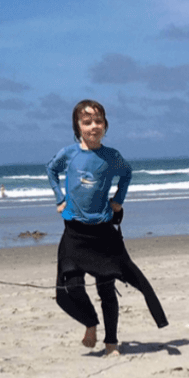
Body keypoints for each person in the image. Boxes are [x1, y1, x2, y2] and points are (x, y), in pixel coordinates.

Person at [46, 100, 168, 356]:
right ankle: (90, 322)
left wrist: (118, 201)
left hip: (102, 232)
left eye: (98, 121)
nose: (94, 126)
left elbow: (127, 174)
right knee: (71, 287)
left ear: (105, 125)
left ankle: (111, 342)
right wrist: (59, 197)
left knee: (106, 289)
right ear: (77, 126)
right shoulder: (68, 154)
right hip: (74, 233)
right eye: (87, 121)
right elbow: (51, 169)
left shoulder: (111, 156)